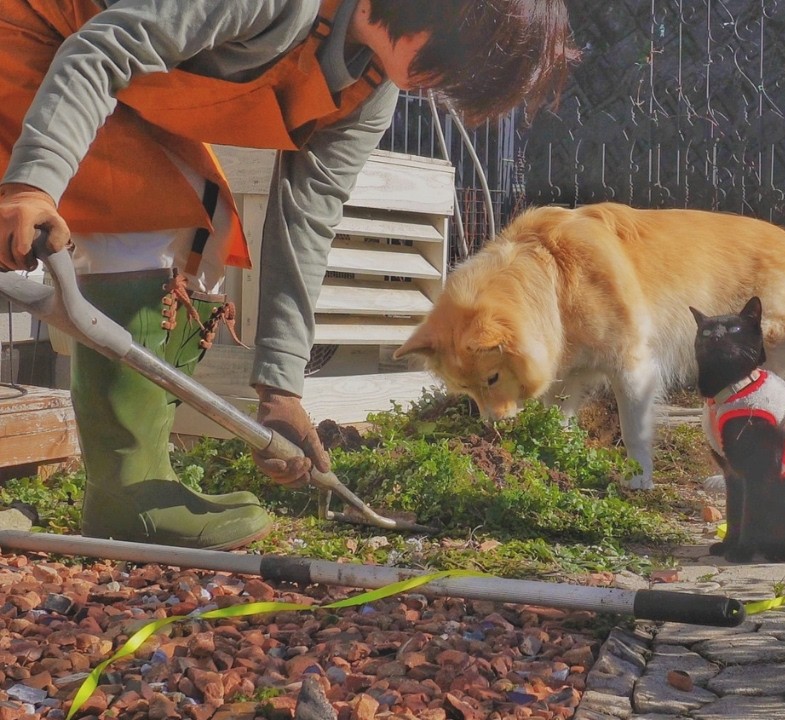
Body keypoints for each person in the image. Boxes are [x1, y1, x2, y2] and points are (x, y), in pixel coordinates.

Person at [0, 0, 573, 550]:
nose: (444, 85)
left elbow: (306, 219)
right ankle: (127, 495)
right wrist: (33, 185)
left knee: (202, 227)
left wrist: (280, 390)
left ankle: (130, 488)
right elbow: (106, 47)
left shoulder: (368, 91)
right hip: (33, 34)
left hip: (113, 85)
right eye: (456, 62)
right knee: (146, 217)